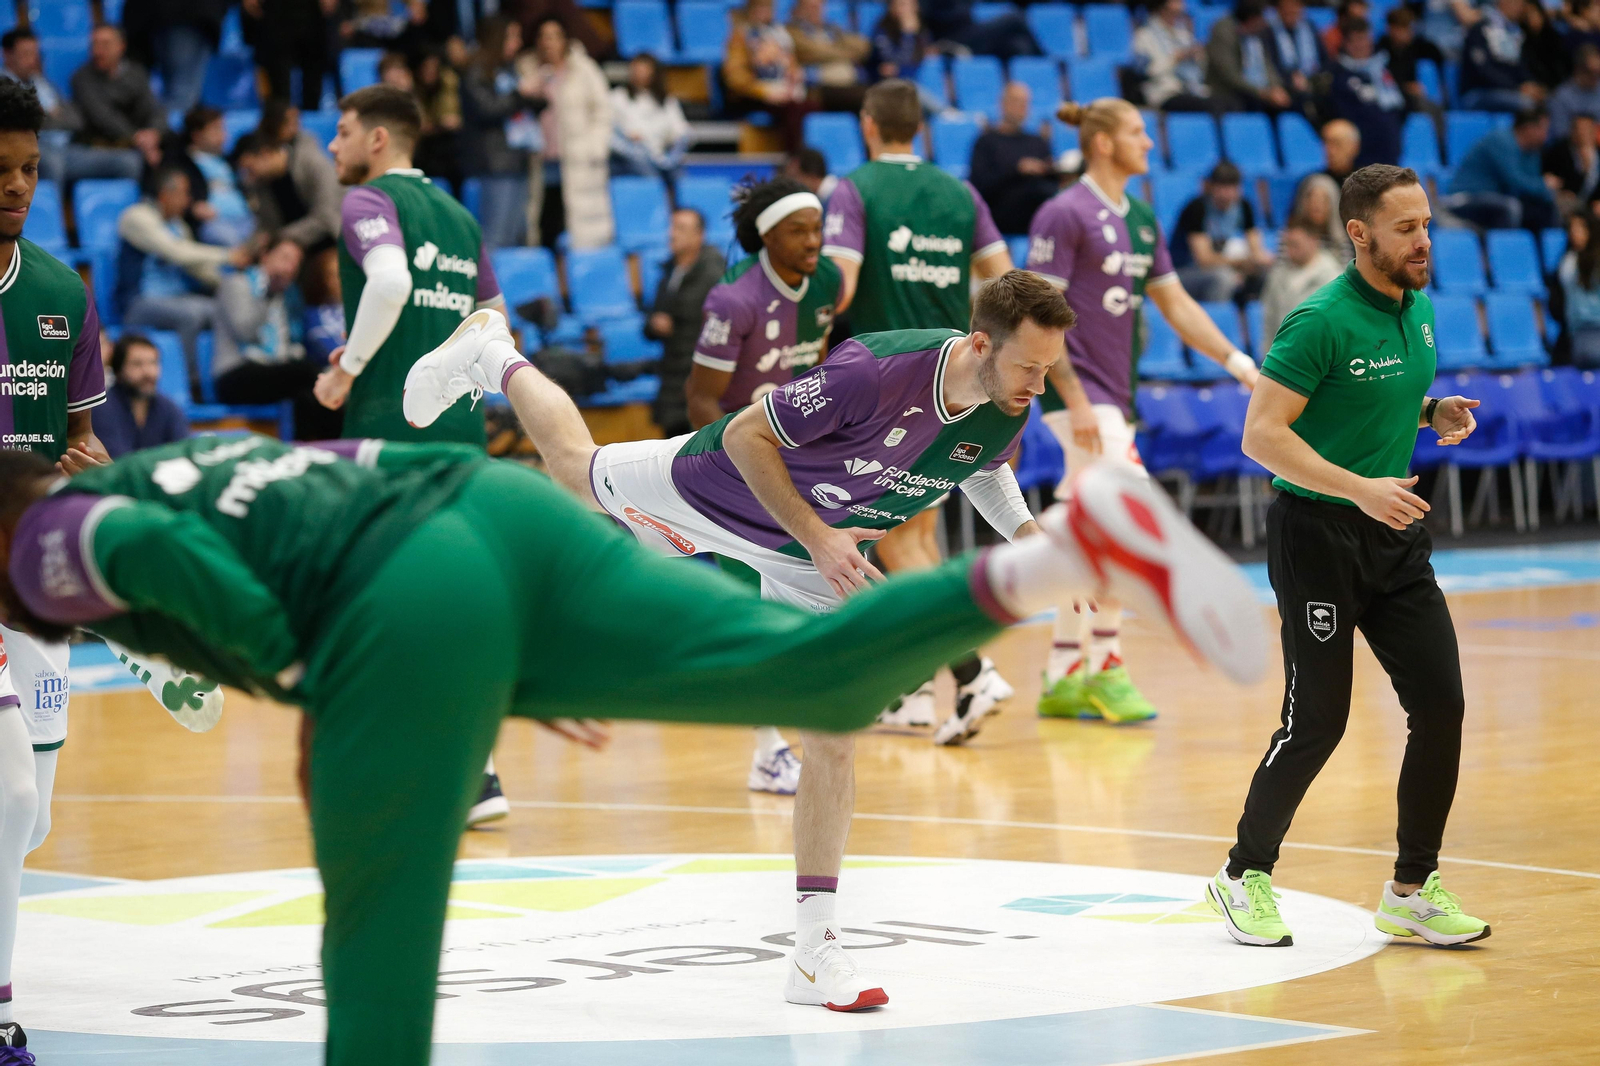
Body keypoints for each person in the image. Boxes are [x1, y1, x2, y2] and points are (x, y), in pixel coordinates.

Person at [0, 400, 1265, 1066]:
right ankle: (1067, 550)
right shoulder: (180, 457)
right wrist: (497, 659)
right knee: (811, 676)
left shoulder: (39, 532)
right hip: (494, 517)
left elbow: (134, 555)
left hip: (395, 602)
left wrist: (312, 661)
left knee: (377, 951)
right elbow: (300, 511)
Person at [402, 270, 1265, 1021]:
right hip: (722, 493)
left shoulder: (1005, 401)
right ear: (977, 343)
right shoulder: (877, 370)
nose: (1039, 389)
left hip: (818, 550)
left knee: (834, 729)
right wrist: (818, 536)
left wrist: (1034, 538)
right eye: (1030, 368)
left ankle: (814, 950)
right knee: (570, 468)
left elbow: (987, 469)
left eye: (1048, 370)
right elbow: (746, 433)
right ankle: (492, 352)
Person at [1205, 163, 1490, 953]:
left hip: (1395, 537)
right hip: (1318, 537)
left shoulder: (1419, 310)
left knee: (1441, 706)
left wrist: (1431, 412)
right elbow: (1261, 435)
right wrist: (1358, 488)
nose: (1424, 240)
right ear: (1360, 234)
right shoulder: (1319, 319)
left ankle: (1410, 890)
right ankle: (1241, 874)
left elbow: (1377, 400)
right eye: (1407, 228)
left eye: (1427, 224)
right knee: (1317, 722)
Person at [313, 85, 513, 824]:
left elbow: (391, 281)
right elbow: (495, 324)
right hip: (458, 434)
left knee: (379, 598)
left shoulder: (369, 202)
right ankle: (478, 774)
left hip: (386, 431)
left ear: (375, 140)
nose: (331, 147)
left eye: (340, 133)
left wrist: (347, 368)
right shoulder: (461, 218)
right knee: (451, 598)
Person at [1028, 97, 1262, 725]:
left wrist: (1240, 364)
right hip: (1077, 397)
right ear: (1103, 142)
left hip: (1115, 398)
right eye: (1137, 132)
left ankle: (1061, 672)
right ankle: (1106, 666)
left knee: (1092, 534)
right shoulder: (1063, 211)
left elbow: (1179, 306)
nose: (1150, 143)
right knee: (1127, 519)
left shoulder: (1141, 219)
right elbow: (1035, 318)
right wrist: (1074, 398)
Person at [821, 78, 1017, 745]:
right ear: (921, 129)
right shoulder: (961, 194)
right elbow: (1003, 282)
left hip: (884, 383)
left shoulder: (852, 188)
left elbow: (839, 284)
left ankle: (971, 670)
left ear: (868, 124)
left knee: (895, 543)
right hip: (955, 379)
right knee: (920, 542)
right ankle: (907, 693)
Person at [0, 77, 109, 1065]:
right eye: (1, 171)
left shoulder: (61, 292)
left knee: (29, 811)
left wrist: (100, 476)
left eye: (30, 170)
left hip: (30, 583)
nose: (18, 188)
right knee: (10, 802)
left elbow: (82, 437)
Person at [683, 178, 840, 789]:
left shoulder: (825, 283)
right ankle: (767, 747)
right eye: (798, 230)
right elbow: (699, 397)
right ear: (766, 236)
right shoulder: (733, 301)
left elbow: (820, 366)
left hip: (796, 462)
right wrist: (733, 471)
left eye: (818, 228)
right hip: (732, 466)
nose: (813, 241)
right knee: (754, 606)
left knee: (804, 597)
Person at [116, 168, 247, 385]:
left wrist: (234, 285)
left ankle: (222, 378)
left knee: (221, 309)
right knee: (192, 314)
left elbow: (195, 267)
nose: (188, 201)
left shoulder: (178, 226)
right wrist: (228, 256)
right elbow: (176, 252)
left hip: (176, 298)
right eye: (184, 194)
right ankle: (188, 383)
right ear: (165, 195)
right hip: (138, 303)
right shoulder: (137, 217)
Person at [213, 238, 347, 440]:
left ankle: (315, 450)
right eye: (285, 258)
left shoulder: (288, 294)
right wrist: (268, 295)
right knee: (307, 373)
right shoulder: (237, 284)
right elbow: (245, 331)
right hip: (234, 373)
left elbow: (291, 339)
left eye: (296, 262)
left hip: (272, 371)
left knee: (307, 398)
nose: (291, 266)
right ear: (265, 255)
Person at [521, 17, 614, 251]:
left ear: (565, 40)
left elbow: (603, 110)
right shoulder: (527, 69)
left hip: (577, 160)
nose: (548, 42)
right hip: (539, 161)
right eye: (543, 37)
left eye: (554, 36)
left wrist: (595, 146)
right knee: (541, 222)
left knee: (577, 228)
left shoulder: (584, 69)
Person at [458, 16, 543, 249]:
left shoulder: (510, 70)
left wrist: (538, 97)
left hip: (517, 160)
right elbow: (487, 109)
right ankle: (489, 287)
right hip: (494, 165)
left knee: (516, 237)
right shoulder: (477, 71)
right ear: (497, 39)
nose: (517, 43)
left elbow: (520, 108)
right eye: (512, 37)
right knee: (496, 239)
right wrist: (521, 95)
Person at [646, 206, 725, 436]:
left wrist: (675, 325)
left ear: (699, 235)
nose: (672, 233)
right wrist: (654, 324)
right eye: (671, 227)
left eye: (680, 228)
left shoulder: (713, 275)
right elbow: (651, 319)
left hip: (698, 376)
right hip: (672, 373)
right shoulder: (668, 271)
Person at [236, 105, 345, 257]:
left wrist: (281, 238)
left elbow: (326, 218)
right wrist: (250, 249)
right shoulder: (263, 183)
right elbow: (266, 226)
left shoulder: (313, 163)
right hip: (294, 243)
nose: (249, 176)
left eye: (250, 168)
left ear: (265, 154)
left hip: (333, 240)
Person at [67, 25, 164, 183]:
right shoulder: (82, 78)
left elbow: (155, 109)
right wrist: (137, 139)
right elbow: (103, 117)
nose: (97, 51)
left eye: (105, 45)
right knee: (131, 162)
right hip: (101, 145)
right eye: (94, 45)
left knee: (175, 147)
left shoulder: (137, 73)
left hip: (139, 143)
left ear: (121, 46)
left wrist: (154, 133)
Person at [1172, 160, 1275, 303]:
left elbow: (1255, 250)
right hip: (1183, 271)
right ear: (1210, 187)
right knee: (1223, 278)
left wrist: (1259, 261)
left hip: (1222, 265)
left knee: (1267, 274)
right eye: (1222, 188)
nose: (1228, 194)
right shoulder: (1197, 209)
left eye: (1233, 188)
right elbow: (1204, 259)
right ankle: (1218, 320)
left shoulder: (1244, 207)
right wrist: (1240, 263)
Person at [1443, 104, 1557, 231]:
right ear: (1528, 128)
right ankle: (1499, 249)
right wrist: (1545, 185)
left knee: (1546, 209)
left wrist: (1550, 194)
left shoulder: (1532, 151)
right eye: (1543, 129)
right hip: (1466, 197)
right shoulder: (1501, 141)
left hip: (1496, 199)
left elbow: (1532, 186)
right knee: (1510, 208)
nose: (1546, 136)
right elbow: (1515, 181)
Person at [968, 82, 1059, 236]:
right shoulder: (986, 142)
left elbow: (1052, 182)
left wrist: (1050, 170)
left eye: (1025, 102)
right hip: (1001, 216)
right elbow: (980, 186)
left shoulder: (1037, 142)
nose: (1022, 107)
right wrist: (1018, 169)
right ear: (1002, 103)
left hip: (1038, 215)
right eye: (1016, 101)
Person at [164, 105, 257, 247]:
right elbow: (169, 196)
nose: (224, 135)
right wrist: (192, 208)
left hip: (246, 218)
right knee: (230, 241)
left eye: (223, 129)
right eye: (216, 129)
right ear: (197, 135)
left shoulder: (229, 161)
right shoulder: (182, 164)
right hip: (212, 224)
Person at [0, 29, 81, 188]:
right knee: (52, 163)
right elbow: (21, 124)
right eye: (26, 53)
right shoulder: (3, 86)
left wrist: (43, 117)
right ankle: (50, 212)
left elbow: (76, 120)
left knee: (125, 162)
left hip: (66, 148)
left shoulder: (42, 82)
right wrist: (52, 116)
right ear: (7, 54)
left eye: (35, 53)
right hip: (29, 148)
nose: (32, 60)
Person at [725, 0, 810, 148]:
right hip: (753, 95)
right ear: (751, 10)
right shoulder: (741, 36)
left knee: (811, 106)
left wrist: (794, 76)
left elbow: (790, 64)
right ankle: (795, 157)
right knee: (793, 111)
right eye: (760, 8)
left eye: (768, 8)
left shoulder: (780, 34)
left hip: (782, 90)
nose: (765, 12)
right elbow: (735, 77)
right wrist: (763, 91)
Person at [91, 332, 191, 457]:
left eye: (153, 363)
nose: (148, 372)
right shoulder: (102, 408)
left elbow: (185, 454)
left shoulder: (169, 408)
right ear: (118, 370)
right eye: (137, 364)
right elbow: (117, 463)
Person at [120, 0, 229, 114]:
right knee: (181, 94)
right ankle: (168, 129)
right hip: (183, 16)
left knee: (184, 93)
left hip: (159, 17)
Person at [1328, 16, 1405, 169]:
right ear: (1347, 43)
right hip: (1360, 160)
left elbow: (1398, 106)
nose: (1362, 45)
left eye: (1365, 39)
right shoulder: (1339, 76)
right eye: (1357, 40)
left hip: (1390, 154)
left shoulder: (1381, 70)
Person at [1259, 215, 1343, 348]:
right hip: (1282, 354)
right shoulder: (1277, 274)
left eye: (1296, 245)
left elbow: (1337, 326)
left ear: (1313, 241)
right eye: (1288, 244)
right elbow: (1269, 319)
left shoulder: (1333, 277)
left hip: (1317, 354)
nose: (1290, 251)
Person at [609, 53, 690, 185]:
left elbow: (681, 131)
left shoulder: (666, 101)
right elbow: (609, 133)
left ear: (654, 72)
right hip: (628, 159)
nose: (641, 74)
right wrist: (627, 140)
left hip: (659, 158)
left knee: (680, 176)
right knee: (648, 173)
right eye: (637, 70)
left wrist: (674, 149)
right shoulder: (618, 97)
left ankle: (679, 204)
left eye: (645, 70)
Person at [246, 0, 335, 111]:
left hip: (312, 11)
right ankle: (280, 122)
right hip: (275, 11)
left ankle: (311, 120)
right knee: (278, 77)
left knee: (313, 76)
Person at [1206, 0, 1292, 113]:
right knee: (1253, 105)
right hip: (1231, 91)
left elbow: (1267, 64)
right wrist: (1262, 93)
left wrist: (1276, 87)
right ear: (1252, 18)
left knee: (1295, 99)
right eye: (1262, 18)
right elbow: (1229, 74)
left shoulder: (1258, 33)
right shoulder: (1224, 31)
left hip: (1261, 91)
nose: (1265, 23)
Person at [1458, 0, 1541, 113]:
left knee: (1545, 102)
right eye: (1518, 3)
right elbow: (1483, 70)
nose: (1521, 8)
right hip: (1478, 92)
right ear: (1504, 2)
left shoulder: (1516, 32)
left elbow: (1521, 66)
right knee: (1526, 104)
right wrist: (1517, 87)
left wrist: (1529, 84)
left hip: (1509, 92)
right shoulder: (1480, 29)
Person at [1134, 0, 1213, 112]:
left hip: (1191, 89)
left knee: (1228, 103)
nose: (1181, 3)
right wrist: (1175, 58)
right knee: (1209, 106)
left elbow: (1201, 72)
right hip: (1164, 92)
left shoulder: (1183, 35)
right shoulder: (1144, 36)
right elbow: (1146, 72)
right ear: (1162, 6)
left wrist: (1199, 56)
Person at [788, 0, 870, 108]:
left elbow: (863, 46)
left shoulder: (831, 29)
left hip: (849, 83)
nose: (816, 10)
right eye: (811, 7)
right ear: (799, 10)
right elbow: (814, 52)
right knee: (869, 98)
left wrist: (831, 50)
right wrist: (844, 53)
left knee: (874, 96)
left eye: (819, 7)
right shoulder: (793, 30)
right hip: (820, 87)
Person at [1376, 9, 1445, 120]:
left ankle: (1440, 138)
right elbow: (1380, 78)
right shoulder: (1380, 50)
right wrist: (1405, 86)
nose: (1408, 33)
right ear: (1391, 29)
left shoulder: (1416, 48)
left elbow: (1438, 56)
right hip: (1388, 95)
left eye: (1409, 28)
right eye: (1403, 29)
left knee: (1434, 108)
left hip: (1410, 97)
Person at [922, 0, 1041, 62]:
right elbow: (925, 17)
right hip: (952, 38)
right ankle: (1044, 58)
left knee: (1018, 45)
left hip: (970, 34)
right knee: (1015, 17)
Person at [1557, 206, 1600, 366]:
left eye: (1580, 227)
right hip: (1582, 330)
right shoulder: (1567, 262)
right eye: (1572, 228)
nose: (1575, 233)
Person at [1266, 0, 1329, 103]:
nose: (1291, 11)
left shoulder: (1310, 27)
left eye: (1295, 7)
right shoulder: (1269, 31)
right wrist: (1290, 78)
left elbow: (1324, 59)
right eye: (1287, 7)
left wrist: (1313, 79)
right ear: (1279, 10)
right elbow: (1269, 64)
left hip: (1312, 82)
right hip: (1283, 84)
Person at [1542, 111, 1600, 209]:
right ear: (1571, 131)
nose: (1582, 133)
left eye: (1586, 129)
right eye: (1578, 129)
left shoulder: (1598, 152)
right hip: (1566, 199)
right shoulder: (1559, 151)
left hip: (1593, 203)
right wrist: (1584, 169)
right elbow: (1552, 179)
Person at [1292, 171, 1354, 260]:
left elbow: (1345, 271)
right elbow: (1280, 270)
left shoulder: (1342, 242)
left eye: (1323, 200)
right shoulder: (1291, 236)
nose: (1317, 206)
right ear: (1304, 203)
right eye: (1313, 199)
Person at [868, 0, 930, 83]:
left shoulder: (923, 31)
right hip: (888, 82)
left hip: (917, 82)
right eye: (896, 4)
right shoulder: (882, 29)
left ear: (915, 7)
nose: (899, 9)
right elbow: (892, 62)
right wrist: (907, 35)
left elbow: (921, 63)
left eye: (904, 5)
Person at [1548, 45, 1600, 142]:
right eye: (1591, 72)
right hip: (1573, 149)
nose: (1595, 77)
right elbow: (1560, 134)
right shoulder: (1561, 97)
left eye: (1598, 72)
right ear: (1578, 69)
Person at [1320, 116, 1361, 185]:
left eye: (1337, 143)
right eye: (1326, 143)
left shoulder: (1366, 183)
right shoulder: (1315, 183)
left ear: (1354, 147)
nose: (1329, 151)